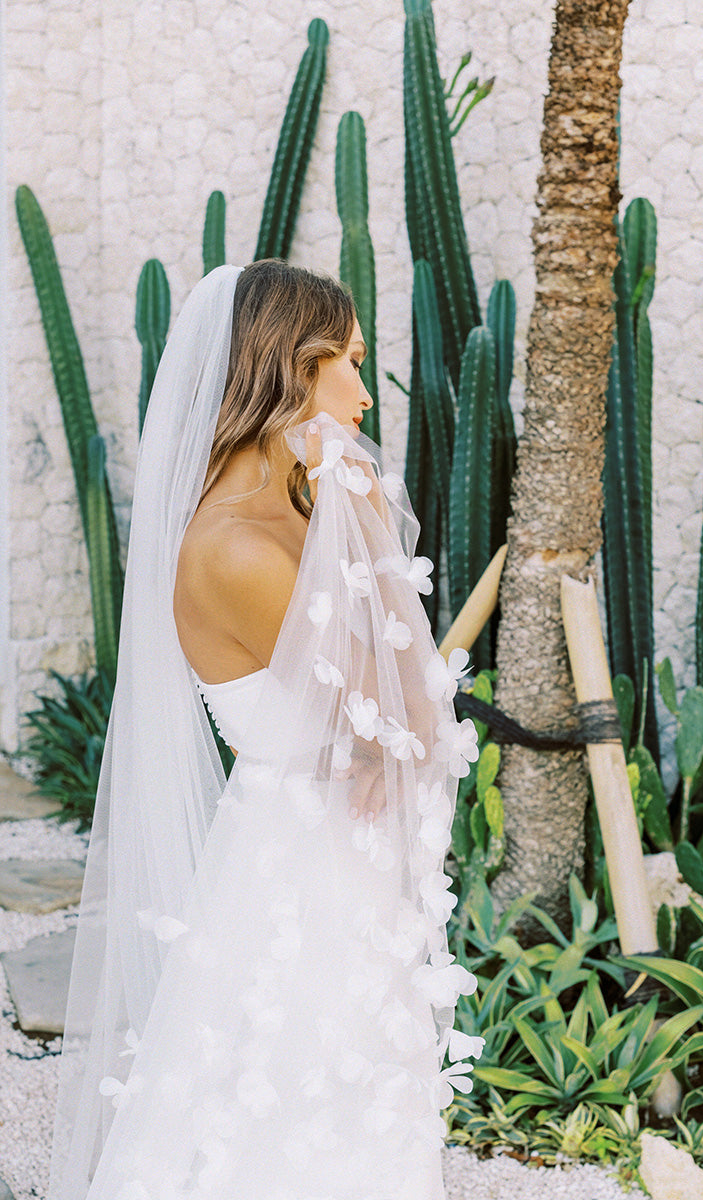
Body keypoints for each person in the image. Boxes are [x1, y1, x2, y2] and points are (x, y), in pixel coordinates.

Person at [47, 260, 483, 1200]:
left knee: (348, 1093)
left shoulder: (290, 511)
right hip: (304, 878)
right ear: (294, 366)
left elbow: (398, 722)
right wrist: (367, 507)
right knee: (304, 1111)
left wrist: (388, 735)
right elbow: (410, 710)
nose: (366, 395)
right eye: (351, 365)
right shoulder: (239, 548)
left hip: (334, 850)